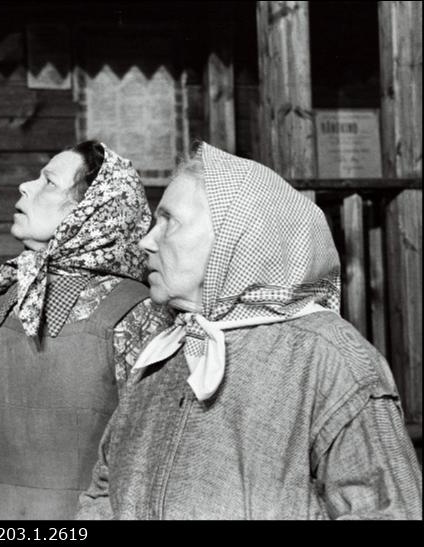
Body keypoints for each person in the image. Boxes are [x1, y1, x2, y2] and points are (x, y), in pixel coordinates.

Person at [76, 142, 423, 519]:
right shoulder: (163, 353)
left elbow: (391, 511)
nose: (146, 241)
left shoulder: (327, 357)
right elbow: (104, 492)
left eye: (168, 221)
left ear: (233, 236)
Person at [0, 141, 170, 520]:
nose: (24, 187)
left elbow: (148, 452)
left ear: (91, 212)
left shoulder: (136, 312)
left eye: (48, 182)